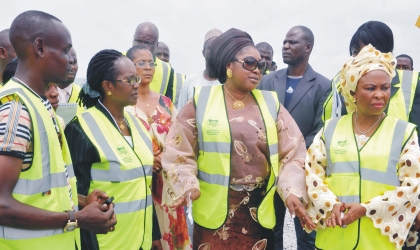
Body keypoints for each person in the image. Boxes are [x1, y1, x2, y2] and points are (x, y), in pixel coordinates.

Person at [161, 28, 315, 249]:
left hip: (259, 214)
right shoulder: (201, 102)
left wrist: (291, 189)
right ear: (228, 66)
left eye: (261, 65)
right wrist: (186, 183)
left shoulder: (271, 104)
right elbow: (178, 151)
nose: (258, 70)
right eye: (250, 63)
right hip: (214, 215)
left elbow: (293, 152)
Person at [0, 10, 116, 250]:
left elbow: (44, 191)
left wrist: (83, 202)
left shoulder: (40, 104)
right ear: (40, 48)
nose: (70, 60)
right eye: (65, 51)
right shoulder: (16, 109)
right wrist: (77, 219)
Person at [306, 44, 420, 249]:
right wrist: (330, 205)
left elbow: (412, 185)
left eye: (384, 88)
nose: (379, 94)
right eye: (370, 88)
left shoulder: (404, 132)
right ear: (353, 92)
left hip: (377, 241)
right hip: (334, 239)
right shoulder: (330, 129)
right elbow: (313, 175)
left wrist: (367, 208)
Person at [64, 49, 155, 250]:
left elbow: (143, 185)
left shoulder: (137, 124)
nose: (137, 84)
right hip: (106, 242)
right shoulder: (80, 129)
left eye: (137, 78)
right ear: (108, 86)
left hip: (141, 238)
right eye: (130, 80)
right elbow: (74, 195)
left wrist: (154, 233)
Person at [259, 25, 331, 250]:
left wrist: (293, 152)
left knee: (306, 229)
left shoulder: (323, 85)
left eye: (292, 42)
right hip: (268, 168)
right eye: (284, 42)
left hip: (304, 168)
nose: (285, 46)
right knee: (272, 228)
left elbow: (322, 127)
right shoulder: (268, 81)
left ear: (308, 47)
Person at [126, 45, 191, 250]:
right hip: (139, 182)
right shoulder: (124, 104)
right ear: (129, 67)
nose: (148, 68)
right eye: (141, 63)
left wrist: (166, 157)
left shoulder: (166, 103)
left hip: (169, 182)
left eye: (151, 63)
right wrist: (146, 157)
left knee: (173, 235)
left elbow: (181, 138)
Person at [322, 21, 420, 145]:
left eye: (368, 53)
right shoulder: (339, 81)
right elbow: (325, 124)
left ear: (385, 53)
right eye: (356, 52)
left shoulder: (412, 83)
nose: (361, 59)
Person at [133, 22, 183, 105]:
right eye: (138, 41)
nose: (141, 46)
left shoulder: (166, 69)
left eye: (147, 43)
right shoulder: (119, 60)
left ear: (156, 45)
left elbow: (167, 104)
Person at [177, 28, 222, 110]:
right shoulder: (191, 81)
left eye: (218, 47)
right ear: (203, 53)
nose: (214, 51)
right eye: (210, 47)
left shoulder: (229, 82)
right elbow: (180, 114)